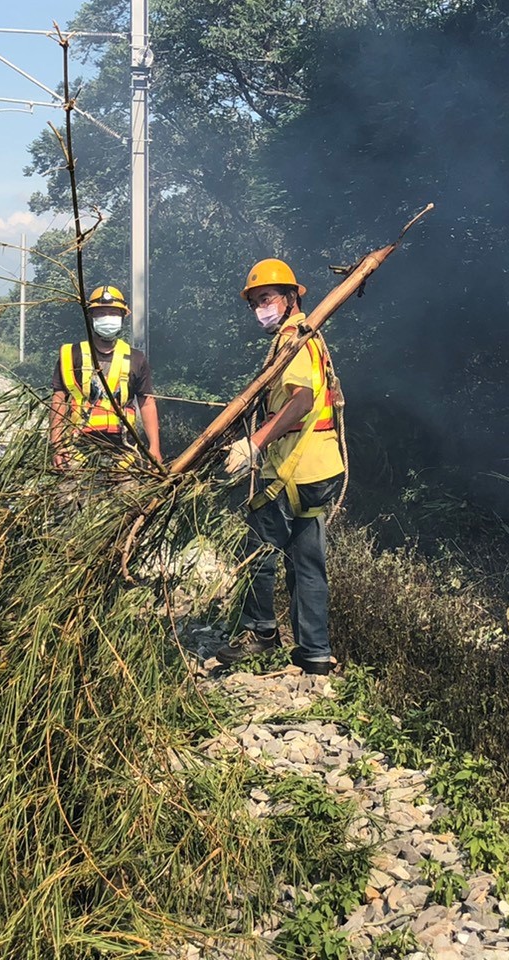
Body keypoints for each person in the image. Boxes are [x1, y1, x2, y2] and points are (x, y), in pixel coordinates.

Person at [219, 259, 345, 675]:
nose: (261, 308)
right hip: (320, 466)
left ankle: (262, 632)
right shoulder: (310, 337)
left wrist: (254, 444)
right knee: (307, 562)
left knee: (257, 548)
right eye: (255, 302)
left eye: (267, 298)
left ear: (291, 298)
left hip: (295, 467)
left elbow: (301, 401)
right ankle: (314, 653)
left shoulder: (294, 341)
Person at [49, 284, 162, 472]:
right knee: (70, 499)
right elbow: (59, 399)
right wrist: (56, 444)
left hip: (123, 450)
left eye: (113, 313)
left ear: (122, 318)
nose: (107, 318)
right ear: (91, 317)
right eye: (101, 313)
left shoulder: (136, 359)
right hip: (77, 448)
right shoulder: (71, 355)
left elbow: (147, 403)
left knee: (129, 500)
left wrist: (154, 448)